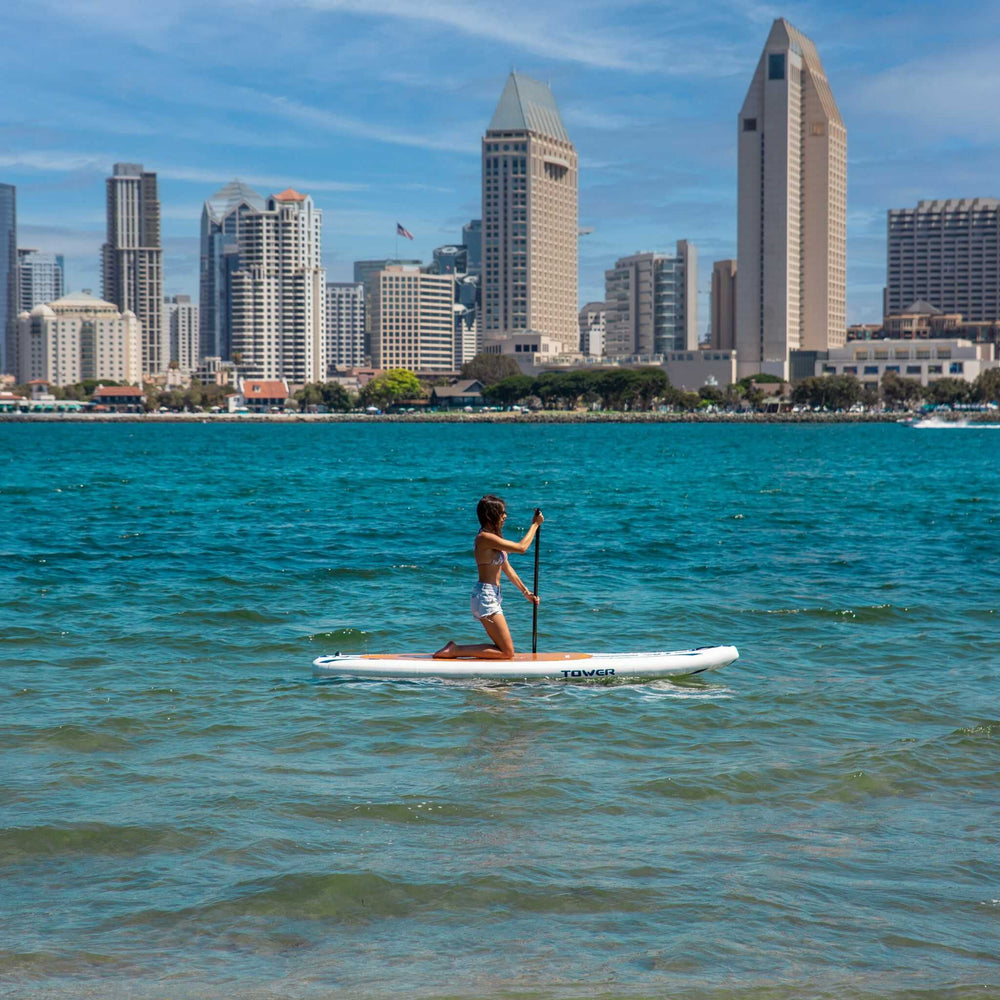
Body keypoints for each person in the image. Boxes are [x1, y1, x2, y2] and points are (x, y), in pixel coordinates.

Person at [433, 495, 543, 659]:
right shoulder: (484, 538)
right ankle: (455, 650)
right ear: (490, 515)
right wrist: (535, 525)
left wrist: (526, 592)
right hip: (485, 597)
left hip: (491, 595)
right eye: (501, 512)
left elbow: (506, 567)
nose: (505, 516)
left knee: (505, 650)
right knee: (507, 652)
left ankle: (457, 650)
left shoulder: (494, 539)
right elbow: (522, 548)